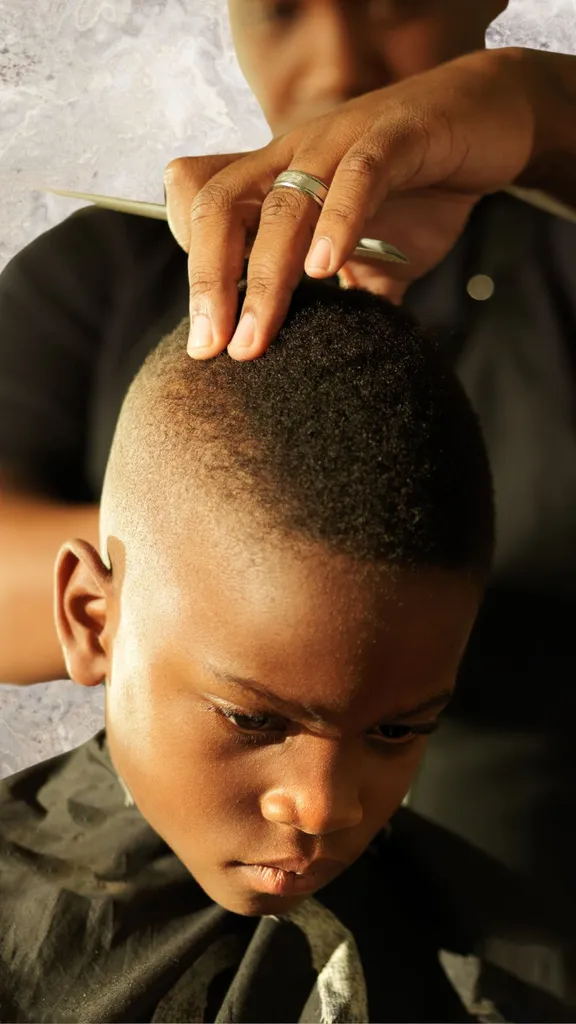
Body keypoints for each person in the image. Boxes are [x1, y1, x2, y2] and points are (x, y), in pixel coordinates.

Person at [0, 0, 575, 1012]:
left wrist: (543, 105)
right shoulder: (109, 271)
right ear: (93, 613)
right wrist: (223, 542)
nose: (336, 57)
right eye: (280, 6)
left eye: (393, 2)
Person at [0, 281, 496, 1023]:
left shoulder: (509, 962)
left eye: (396, 731)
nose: (323, 807)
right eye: (253, 720)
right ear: (91, 618)